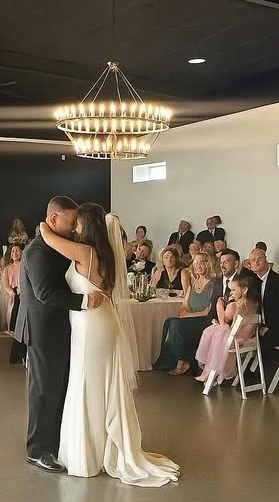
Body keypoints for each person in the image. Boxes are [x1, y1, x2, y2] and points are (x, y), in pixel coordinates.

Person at [37, 202, 179, 486]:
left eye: (77, 222)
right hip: (99, 322)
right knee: (99, 384)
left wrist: (45, 221)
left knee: (88, 384)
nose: (74, 226)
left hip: (91, 326)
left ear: (87, 226)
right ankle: (100, 448)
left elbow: (48, 237)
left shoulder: (86, 253)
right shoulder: (106, 254)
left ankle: (87, 456)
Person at [14, 196, 104, 472]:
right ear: (54, 219)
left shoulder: (55, 245)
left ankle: (54, 443)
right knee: (43, 390)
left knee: (58, 387)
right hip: (41, 330)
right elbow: (44, 293)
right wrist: (83, 302)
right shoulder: (37, 251)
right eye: (71, 220)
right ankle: (38, 450)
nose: (75, 225)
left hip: (58, 328)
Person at [153, 252, 220, 374]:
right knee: (169, 322)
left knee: (176, 325)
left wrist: (186, 316)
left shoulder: (214, 283)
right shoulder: (193, 285)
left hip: (205, 321)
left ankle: (183, 361)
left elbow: (207, 312)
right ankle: (167, 361)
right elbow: (183, 308)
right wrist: (186, 315)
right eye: (195, 263)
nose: (198, 266)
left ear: (208, 264)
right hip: (191, 318)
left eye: (201, 262)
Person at [195, 269, 261, 386]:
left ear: (244, 290)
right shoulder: (255, 304)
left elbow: (227, 325)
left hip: (236, 339)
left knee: (216, 330)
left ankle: (210, 372)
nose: (231, 293)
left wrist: (219, 305)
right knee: (218, 330)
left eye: (234, 290)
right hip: (249, 337)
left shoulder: (237, 306)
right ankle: (211, 373)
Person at [2, 244, 23, 332]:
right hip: (14, 294)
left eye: (17, 250)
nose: (15, 253)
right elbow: (6, 285)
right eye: (13, 251)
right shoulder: (7, 269)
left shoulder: (25, 266)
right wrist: (12, 292)